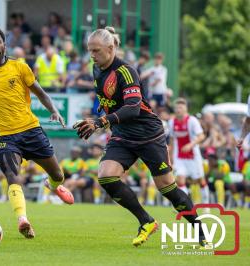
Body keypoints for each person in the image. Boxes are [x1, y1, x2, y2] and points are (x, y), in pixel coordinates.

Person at [73, 26, 207, 247]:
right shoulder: (97, 70)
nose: (92, 55)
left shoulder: (126, 72)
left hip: (148, 135)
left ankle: (200, 229)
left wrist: (101, 122)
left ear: (110, 48)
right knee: (106, 176)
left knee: (168, 189)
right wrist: (96, 119)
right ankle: (146, 221)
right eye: (90, 51)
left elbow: (133, 108)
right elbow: (109, 102)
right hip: (122, 135)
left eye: (96, 51)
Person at [0, 27, 74, 239]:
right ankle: (23, 220)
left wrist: (54, 111)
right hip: (3, 136)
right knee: (12, 175)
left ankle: (52, 185)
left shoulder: (19, 67)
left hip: (30, 130)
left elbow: (41, 93)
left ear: (4, 44)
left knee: (57, 174)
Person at [168, 98, 209, 205]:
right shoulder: (172, 122)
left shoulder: (192, 121)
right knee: (180, 181)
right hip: (179, 157)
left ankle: (206, 205)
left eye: (180, 107)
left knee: (201, 181)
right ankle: (186, 205)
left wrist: (190, 145)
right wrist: (171, 156)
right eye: (176, 108)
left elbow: (201, 136)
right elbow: (172, 140)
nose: (178, 110)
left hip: (193, 156)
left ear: (185, 109)